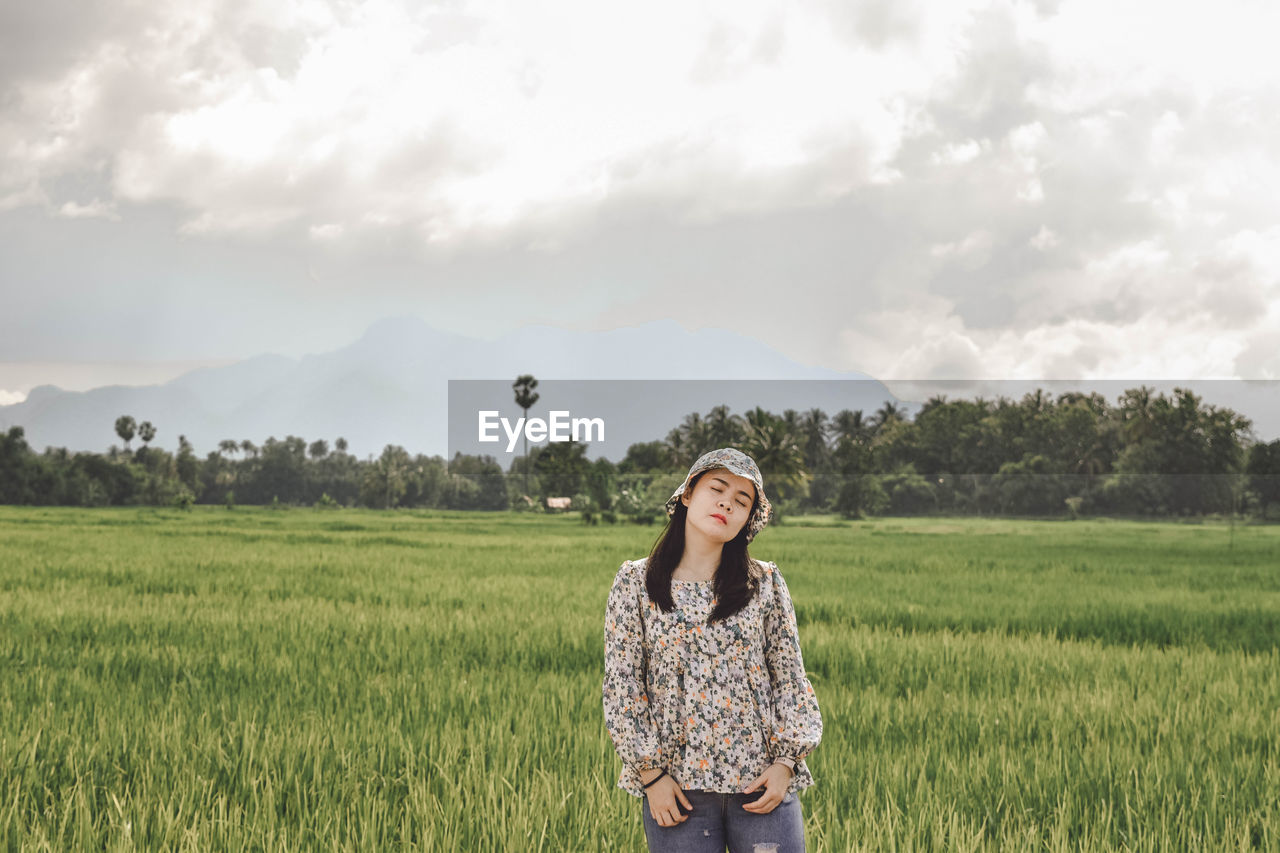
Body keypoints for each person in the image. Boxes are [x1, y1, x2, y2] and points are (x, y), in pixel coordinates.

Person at [603, 447, 823, 853]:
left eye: (742, 501)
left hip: (762, 786)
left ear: (748, 519)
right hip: (679, 791)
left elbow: (789, 677)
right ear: (687, 494)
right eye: (717, 489)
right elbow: (623, 685)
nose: (727, 503)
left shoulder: (765, 583)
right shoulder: (635, 582)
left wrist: (786, 764)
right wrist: (650, 776)